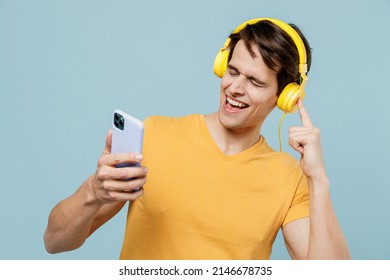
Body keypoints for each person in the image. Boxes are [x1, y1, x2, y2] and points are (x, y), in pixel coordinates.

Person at [44, 18, 351, 259]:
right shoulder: (153, 136)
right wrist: (93, 192)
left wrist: (318, 180)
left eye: (255, 82)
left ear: (284, 97)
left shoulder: (289, 177)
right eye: (232, 71)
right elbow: (55, 242)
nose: (234, 88)